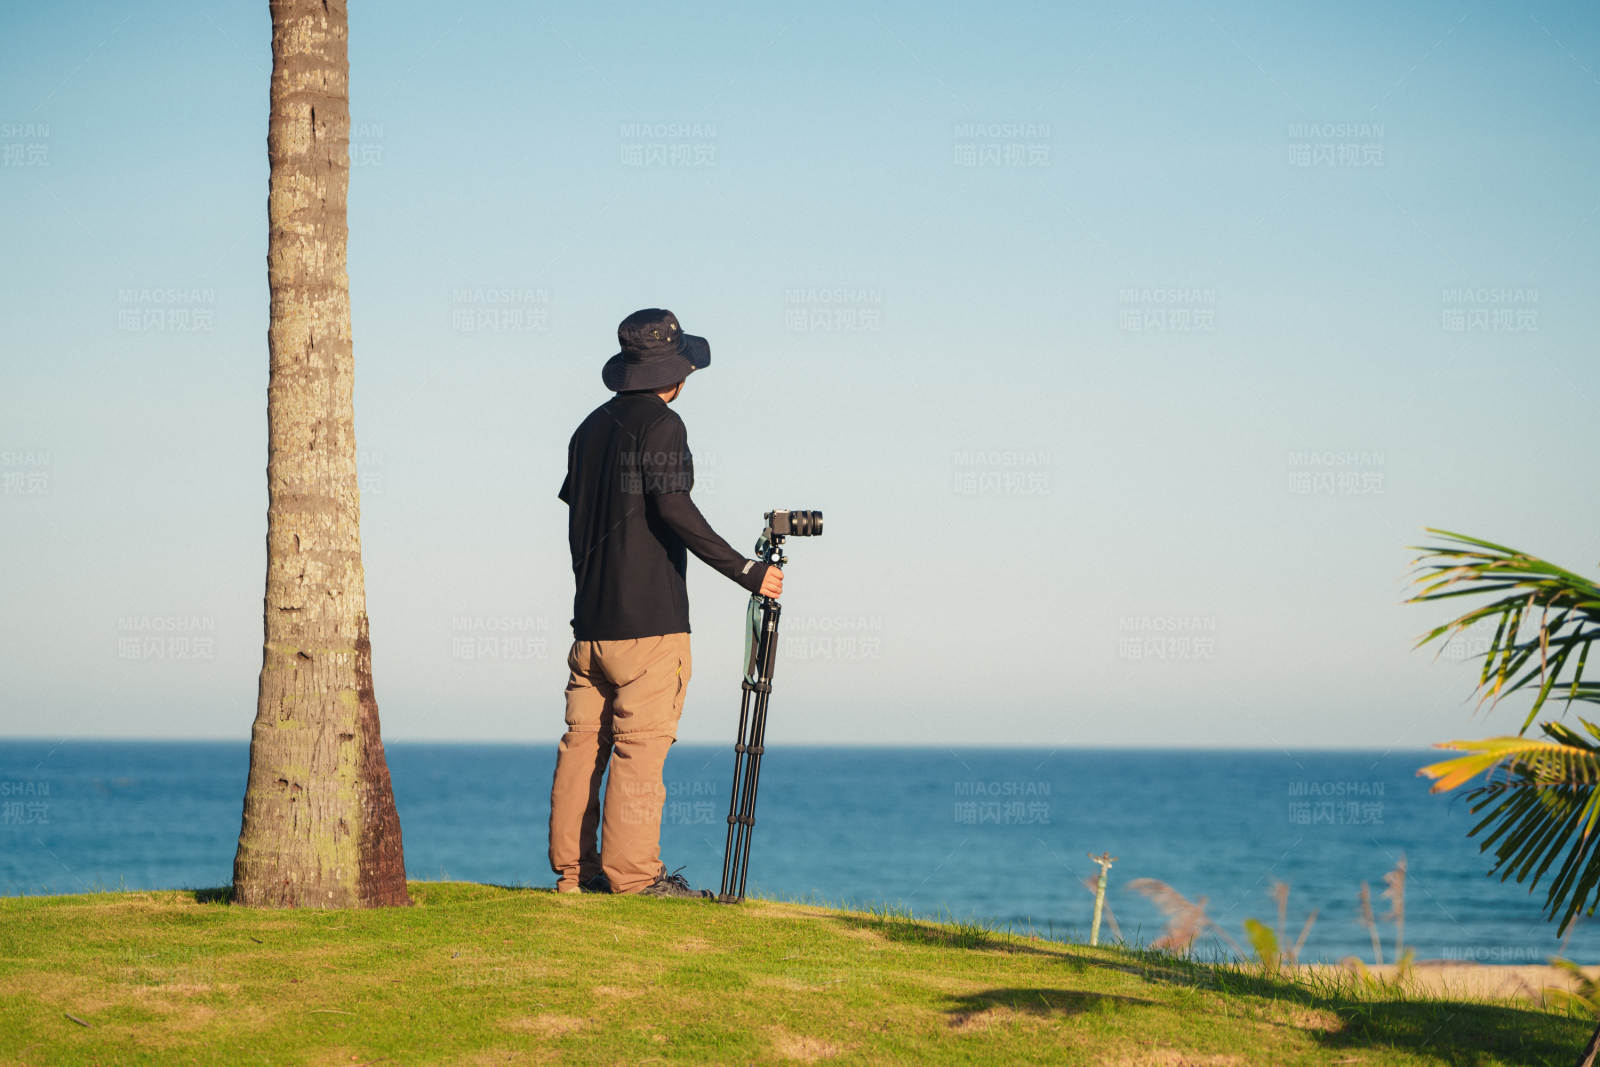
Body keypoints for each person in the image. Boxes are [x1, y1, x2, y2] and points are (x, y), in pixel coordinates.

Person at [548, 308, 784, 898]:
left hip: (590, 624)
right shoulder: (664, 425)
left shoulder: (588, 429)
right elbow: (673, 507)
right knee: (640, 751)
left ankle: (576, 874)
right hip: (650, 625)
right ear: (673, 374)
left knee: (582, 747)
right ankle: (634, 879)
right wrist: (748, 571)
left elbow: (580, 510)